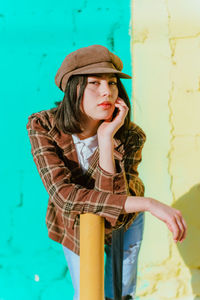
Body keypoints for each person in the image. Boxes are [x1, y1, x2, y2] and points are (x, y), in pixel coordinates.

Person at [26, 45, 187, 300]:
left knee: (121, 293)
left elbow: (115, 218)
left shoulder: (130, 135)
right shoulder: (44, 126)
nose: (106, 92)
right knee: (88, 293)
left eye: (112, 83)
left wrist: (105, 138)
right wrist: (148, 203)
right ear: (73, 88)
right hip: (75, 225)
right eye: (94, 83)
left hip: (124, 223)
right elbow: (66, 197)